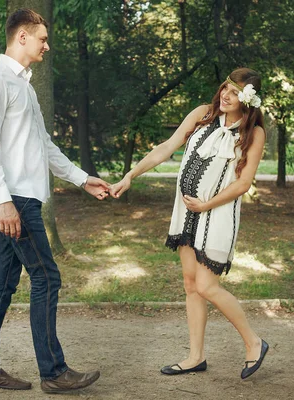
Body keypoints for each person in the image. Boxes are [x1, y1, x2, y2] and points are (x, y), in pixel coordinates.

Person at [0, 9, 109, 393]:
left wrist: (83, 179)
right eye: (43, 38)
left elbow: (43, 146)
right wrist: (3, 203)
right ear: (23, 37)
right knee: (47, 277)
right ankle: (54, 372)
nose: (47, 45)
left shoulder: (25, 87)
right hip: (14, 200)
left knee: (2, 282)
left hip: (21, 197)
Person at [110, 68, 269, 379]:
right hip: (186, 213)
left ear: (248, 100)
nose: (226, 95)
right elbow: (166, 148)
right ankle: (196, 356)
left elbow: (243, 184)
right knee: (190, 285)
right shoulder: (202, 114)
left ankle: (254, 342)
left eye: (235, 92)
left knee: (207, 286)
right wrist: (130, 175)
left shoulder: (254, 133)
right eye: (226, 87)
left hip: (218, 214)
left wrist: (207, 204)